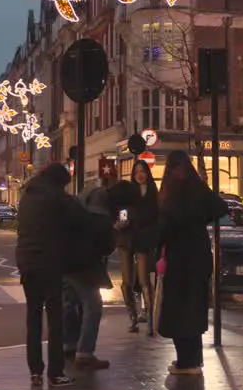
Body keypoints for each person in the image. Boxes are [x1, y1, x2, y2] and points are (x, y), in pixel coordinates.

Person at [15, 163, 88, 388]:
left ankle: (35, 371)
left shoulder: (27, 194)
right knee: (55, 319)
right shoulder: (56, 197)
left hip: (27, 261)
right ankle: (55, 373)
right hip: (49, 262)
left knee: (33, 317)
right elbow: (78, 219)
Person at [156, 150, 228, 375]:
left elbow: (163, 227)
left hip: (179, 257)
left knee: (178, 310)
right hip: (199, 254)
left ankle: (185, 362)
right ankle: (194, 360)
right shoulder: (197, 188)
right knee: (195, 308)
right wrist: (200, 218)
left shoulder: (171, 193)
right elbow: (220, 207)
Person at [63, 167, 116, 370]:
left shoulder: (73, 211)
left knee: (69, 304)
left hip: (66, 264)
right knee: (93, 305)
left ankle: (68, 343)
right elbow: (107, 247)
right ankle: (85, 351)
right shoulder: (100, 219)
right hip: (85, 267)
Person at [117, 161, 160, 334]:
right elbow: (122, 210)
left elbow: (157, 215)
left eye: (143, 171)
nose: (140, 175)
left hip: (143, 238)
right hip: (127, 237)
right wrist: (122, 221)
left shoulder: (152, 192)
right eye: (137, 172)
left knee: (144, 279)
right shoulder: (129, 191)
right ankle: (132, 317)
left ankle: (148, 315)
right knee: (127, 280)